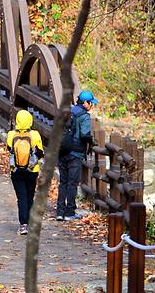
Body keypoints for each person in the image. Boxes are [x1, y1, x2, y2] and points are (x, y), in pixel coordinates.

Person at [56, 89, 96, 221]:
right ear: (85, 102)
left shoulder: (69, 111)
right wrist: (91, 141)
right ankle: (69, 212)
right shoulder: (84, 116)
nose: (92, 106)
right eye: (91, 103)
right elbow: (84, 134)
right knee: (72, 184)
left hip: (62, 151)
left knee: (63, 182)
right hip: (75, 153)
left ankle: (60, 212)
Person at [6, 109, 44, 235]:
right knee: (29, 196)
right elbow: (40, 153)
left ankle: (23, 225)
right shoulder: (35, 135)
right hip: (32, 170)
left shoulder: (11, 135)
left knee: (21, 197)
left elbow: (9, 149)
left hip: (16, 170)